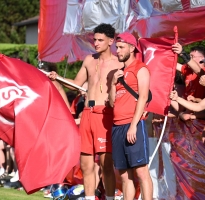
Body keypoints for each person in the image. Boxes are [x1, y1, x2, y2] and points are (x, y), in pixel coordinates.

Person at [49, 23, 121, 200]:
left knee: (106, 164)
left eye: (100, 40)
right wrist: (57, 78)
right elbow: (76, 84)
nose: (96, 43)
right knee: (86, 164)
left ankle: (109, 198)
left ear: (111, 41)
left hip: (105, 114)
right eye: (95, 39)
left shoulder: (119, 63)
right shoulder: (89, 60)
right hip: (87, 113)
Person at [109, 32, 153, 200]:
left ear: (132, 47)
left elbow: (143, 97)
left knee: (141, 171)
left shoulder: (140, 68)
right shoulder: (119, 72)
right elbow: (112, 103)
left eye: (121, 47)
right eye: (117, 47)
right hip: (117, 126)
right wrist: (113, 84)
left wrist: (134, 125)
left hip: (132, 124)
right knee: (124, 175)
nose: (117, 51)